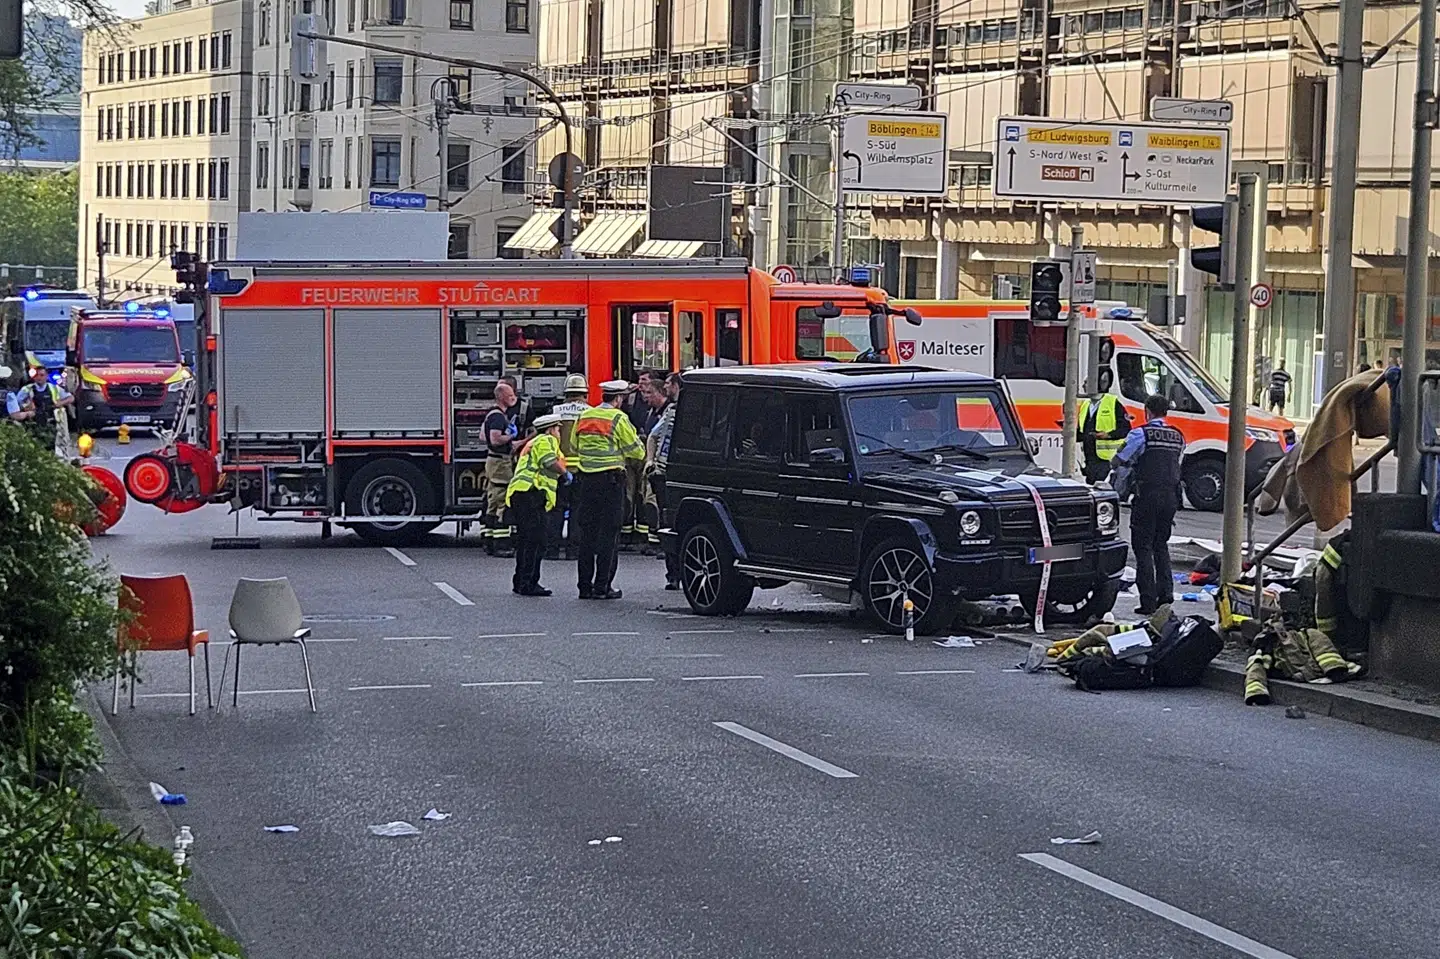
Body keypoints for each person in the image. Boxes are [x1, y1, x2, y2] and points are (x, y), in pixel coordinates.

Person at [571, 379, 645, 600]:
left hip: (586, 483)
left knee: (587, 535)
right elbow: (636, 452)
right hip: (611, 483)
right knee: (609, 535)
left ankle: (584, 586)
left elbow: (574, 446)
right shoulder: (618, 418)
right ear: (619, 399)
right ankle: (602, 586)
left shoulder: (585, 416)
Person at [1111, 394, 1184, 615]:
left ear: (1147, 411)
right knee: (1161, 545)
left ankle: (1148, 601)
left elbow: (1120, 459)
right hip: (1171, 496)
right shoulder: (1177, 436)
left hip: (1148, 494)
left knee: (1142, 547)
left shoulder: (1140, 434)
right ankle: (1166, 594)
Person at [505, 413, 570, 597]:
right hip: (531, 493)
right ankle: (529, 583)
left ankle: (521, 581)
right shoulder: (546, 440)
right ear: (550, 429)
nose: (559, 433)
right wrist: (565, 474)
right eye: (558, 429)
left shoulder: (534, 442)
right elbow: (549, 462)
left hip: (523, 493)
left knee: (526, 541)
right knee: (536, 541)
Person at [642, 373, 680, 587]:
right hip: (664, 473)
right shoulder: (672, 413)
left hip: (683, 472)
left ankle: (680, 572)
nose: (666, 387)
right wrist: (651, 461)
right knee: (668, 524)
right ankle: (673, 576)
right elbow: (654, 437)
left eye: (669, 384)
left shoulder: (694, 411)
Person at [549, 374, 591, 557]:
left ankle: (551, 549)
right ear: (585, 393)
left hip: (559, 469)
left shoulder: (556, 411)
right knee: (577, 511)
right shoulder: (590, 412)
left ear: (566, 393)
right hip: (582, 470)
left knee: (556, 510)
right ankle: (574, 550)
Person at [483, 381, 521, 556]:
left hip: (493, 460)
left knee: (492, 502)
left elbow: (482, 436)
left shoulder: (491, 415)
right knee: (503, 502)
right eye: (511, 395)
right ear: (503, 397)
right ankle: (501, 545)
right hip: (500, 463)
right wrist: (509, 436)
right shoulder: (498, 417)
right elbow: (495, 438)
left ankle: (488, 541)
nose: (514, 397)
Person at [7, 363, 73, 453]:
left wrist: (60, 403)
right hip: (33, 424)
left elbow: (71, 398)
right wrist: (26, 407)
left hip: (50, 423)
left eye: (42, 375)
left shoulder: (54, 388)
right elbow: (17, 404)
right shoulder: (27, 389)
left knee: (50, 449)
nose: (39, 377)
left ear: (46, 376)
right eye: (37, 375)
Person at [1076, 392, 1131, 484]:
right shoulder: (1085, 404)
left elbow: (1125, 429)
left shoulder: (1113, 402)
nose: (1084, 385)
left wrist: (1108, 435)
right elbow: (1083, 431)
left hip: (1106, 459)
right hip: (1089, 458)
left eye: (1086, 382)